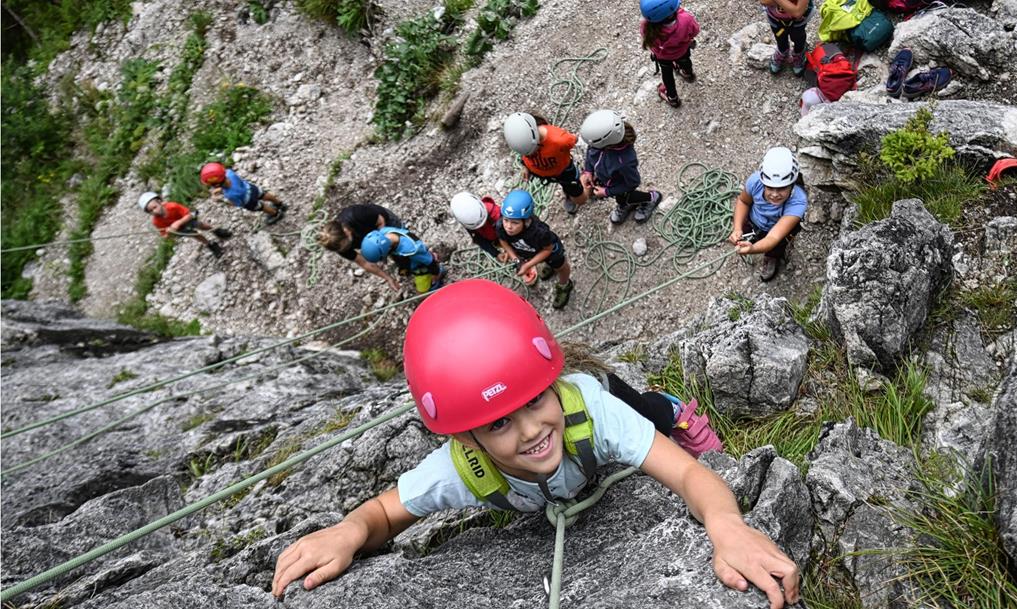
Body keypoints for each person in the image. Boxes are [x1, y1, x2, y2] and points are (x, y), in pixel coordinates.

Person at [271, 279, 800, 609]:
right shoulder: (461, 469)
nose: (529, 430)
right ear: (466, 437)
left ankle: (672, 407)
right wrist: (348, 531)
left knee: (649, 414)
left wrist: (726, 526)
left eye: (534, 400)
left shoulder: (588, 411)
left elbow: (685, 473)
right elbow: (384, 513)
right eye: (499, 423)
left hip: (602, 403)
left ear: (551, 384)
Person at [728, 147, 807, 282]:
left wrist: (753, 249)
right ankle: (750, 241)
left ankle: (771, 257)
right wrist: (737, 228)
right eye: (769, 187)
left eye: (782, 188)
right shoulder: (755, 182)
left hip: (777, 231)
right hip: (753, 221)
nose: (775, 194)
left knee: (776, 246)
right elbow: (743, 202)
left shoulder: (798, 203)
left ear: (792, 184)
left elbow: (773, 238)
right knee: (744, 233)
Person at [496, 189, 574, 310]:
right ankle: (549, 266)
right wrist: (516, 260)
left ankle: (565, 285)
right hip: (532, 252)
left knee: (560, 267)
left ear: (526, 221)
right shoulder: (501, 225)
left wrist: (528, 265)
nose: (509, 227)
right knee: (544, 260)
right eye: (506, 220)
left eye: (515, 223)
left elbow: (548, 249)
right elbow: (503, 241)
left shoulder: (540, 232)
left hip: (550, 251)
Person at [579, 110, 661, 225]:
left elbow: (633, 183)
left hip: (619, 184)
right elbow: (590, 151)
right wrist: (589, 171)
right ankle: (625, 204)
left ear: (606, 144)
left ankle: (651, 198)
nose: (591, 146)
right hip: (608, 179)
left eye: (593, 144)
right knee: (620, 198)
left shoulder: (624, 162)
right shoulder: (600, 143)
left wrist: (606, 192)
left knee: (626, 197)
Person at [503, 112, 589, 215]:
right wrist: (525, 167)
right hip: (542, 171)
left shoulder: (559, 140)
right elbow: (524, 156)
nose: (532, 154)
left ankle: (586, 183)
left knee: (581, 200)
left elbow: (574, 140)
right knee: (567, 188)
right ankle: (569, 191)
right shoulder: (522, 141)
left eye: (534, 150)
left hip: (564, 173)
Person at [318, 204, 408, 289]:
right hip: (368, 238)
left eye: (346, 244)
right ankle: (402, 261)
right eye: (343, 248)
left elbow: (381, 220)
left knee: (404, 243)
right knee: (392, 253)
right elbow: (364, 263)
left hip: (383, 222)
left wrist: (382, 242)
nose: (346, 248)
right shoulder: (339, 246)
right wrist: (388, 278)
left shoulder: (356, 214)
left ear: (345, 231)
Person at [641, 0, 700, 108]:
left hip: (662, 56)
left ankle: (673, 98)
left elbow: (648, 40)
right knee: (685, 61)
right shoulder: (686, 19)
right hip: (682, 51)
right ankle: (688, 73)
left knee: (667, 74)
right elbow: (695, 31)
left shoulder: (646, 26)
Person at [137, 191, 231, 258]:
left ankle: (215, 230)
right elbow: (165, 235)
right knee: (195, 235)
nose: (154, 211)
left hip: (187, 219)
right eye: (151, 211)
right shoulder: (156, 221)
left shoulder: (172, 206)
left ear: (160, 202)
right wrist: (169, 232)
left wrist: (178, 222)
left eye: (154, 207)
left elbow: (189, 215)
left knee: (200, 225)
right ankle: (209, 244)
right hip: (180, 229)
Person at [360, 227, 445, 293]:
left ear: (388, 249)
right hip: (411, 260)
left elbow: (429, 261)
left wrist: (435, 274)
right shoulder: (385, 232)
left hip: (421, 268)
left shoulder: (412, 250)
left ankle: (436, 282)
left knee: (421, 293)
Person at [199, 162, 288, 225]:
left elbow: (236, 203)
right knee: (263, 194)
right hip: (250, 188)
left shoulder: (230, 195)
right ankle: (279, 204)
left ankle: (275, 214)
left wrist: (221, 200)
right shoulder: (229, 173)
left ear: (216, 184)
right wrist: (221, 189)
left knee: (261, 206)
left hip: (248, 200)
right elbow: (229, 185)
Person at [761, 0, 812, 75]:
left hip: (797, 20)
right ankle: (782, 50)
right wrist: (791, 4)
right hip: (775, 18)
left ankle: (799, 52)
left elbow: (798, 12)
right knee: (780, 37)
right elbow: (764, 1)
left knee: (798, 37)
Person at [449, 192, 502, 258]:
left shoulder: (496, 213)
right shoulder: (468, 221)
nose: (483, 224)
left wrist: (507, 247)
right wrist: (496, 254)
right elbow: (478, 239)